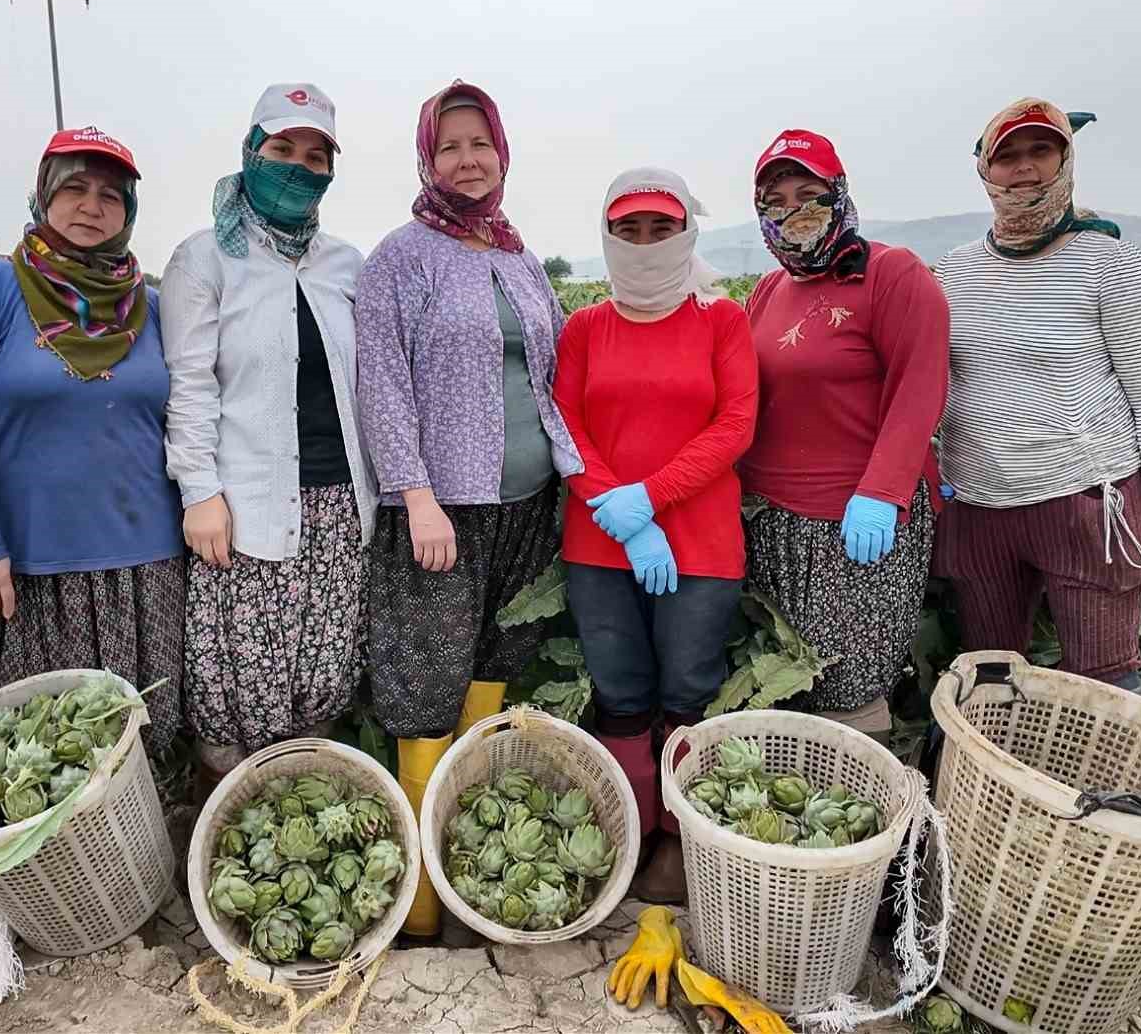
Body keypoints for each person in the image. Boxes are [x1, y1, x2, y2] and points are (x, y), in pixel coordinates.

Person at [356, 79, 583, 936]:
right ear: (426, 158)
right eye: (449, 146)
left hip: (527, 501)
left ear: (502, 152)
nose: (467, 159)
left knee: (498, 658)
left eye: (479, 143)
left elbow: (549, 379)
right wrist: (416, 496)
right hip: (442, 509)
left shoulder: (519, 259)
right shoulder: (399, 260)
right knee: (424, 680)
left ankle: (465, 856)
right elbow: (381, 386)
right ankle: (416, 900)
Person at [0, 126, 184, 753]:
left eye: (111, 196)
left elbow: (193, 415)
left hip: (147, 570)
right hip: (30, 571)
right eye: (75, 189)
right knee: (35, 757)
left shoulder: (153, 305)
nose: (92, 207)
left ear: (130, 211)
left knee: (139, 751)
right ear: (42, 196)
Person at [934, 98, 1141, 694]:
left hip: (1086, 505)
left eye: (1040, 151)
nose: (1024, 167)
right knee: (991, 676)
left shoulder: (1111, 262)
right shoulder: (954, 271)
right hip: (979, 508)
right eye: (1008, 155)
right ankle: (999, 785)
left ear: (1065, 160)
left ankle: (1112, 790)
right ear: (984, 169)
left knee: (1105, 682)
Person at [161, 83, 376, 791]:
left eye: (315, 155)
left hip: (340, 507)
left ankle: (301, 802)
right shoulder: (204, 260)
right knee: (237, 677)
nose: (299, 166)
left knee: (323, 664)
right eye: (282, 149)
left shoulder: (344, 264)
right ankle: (228, 801)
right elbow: (191, 386)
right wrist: (200, 493)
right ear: (250, 153)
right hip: (245, 507)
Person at [553, 168, 757, 902]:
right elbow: (567, 426)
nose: (643, 242)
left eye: (660, 228)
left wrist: (651, 497)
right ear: (608, 237)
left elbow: (736, 423)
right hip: (601, 542)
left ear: (686, 232)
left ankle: (674, 844)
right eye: (628, 229)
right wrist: (618, 508)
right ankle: (629, 825)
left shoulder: (720, 320)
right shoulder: (584, 328)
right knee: (621, 694)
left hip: (700, 543)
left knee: (687, 693)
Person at [738, 130, 950, 745]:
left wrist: (883, 492)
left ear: (840, 194)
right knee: (789, 680)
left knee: (849, 685)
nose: (794, 211)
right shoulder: (770, 290)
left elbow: (920, 387)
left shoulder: (891, 275)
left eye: (810, 194)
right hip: (773, 521)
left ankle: (871, 823)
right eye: (776, 201)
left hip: (856, 524)